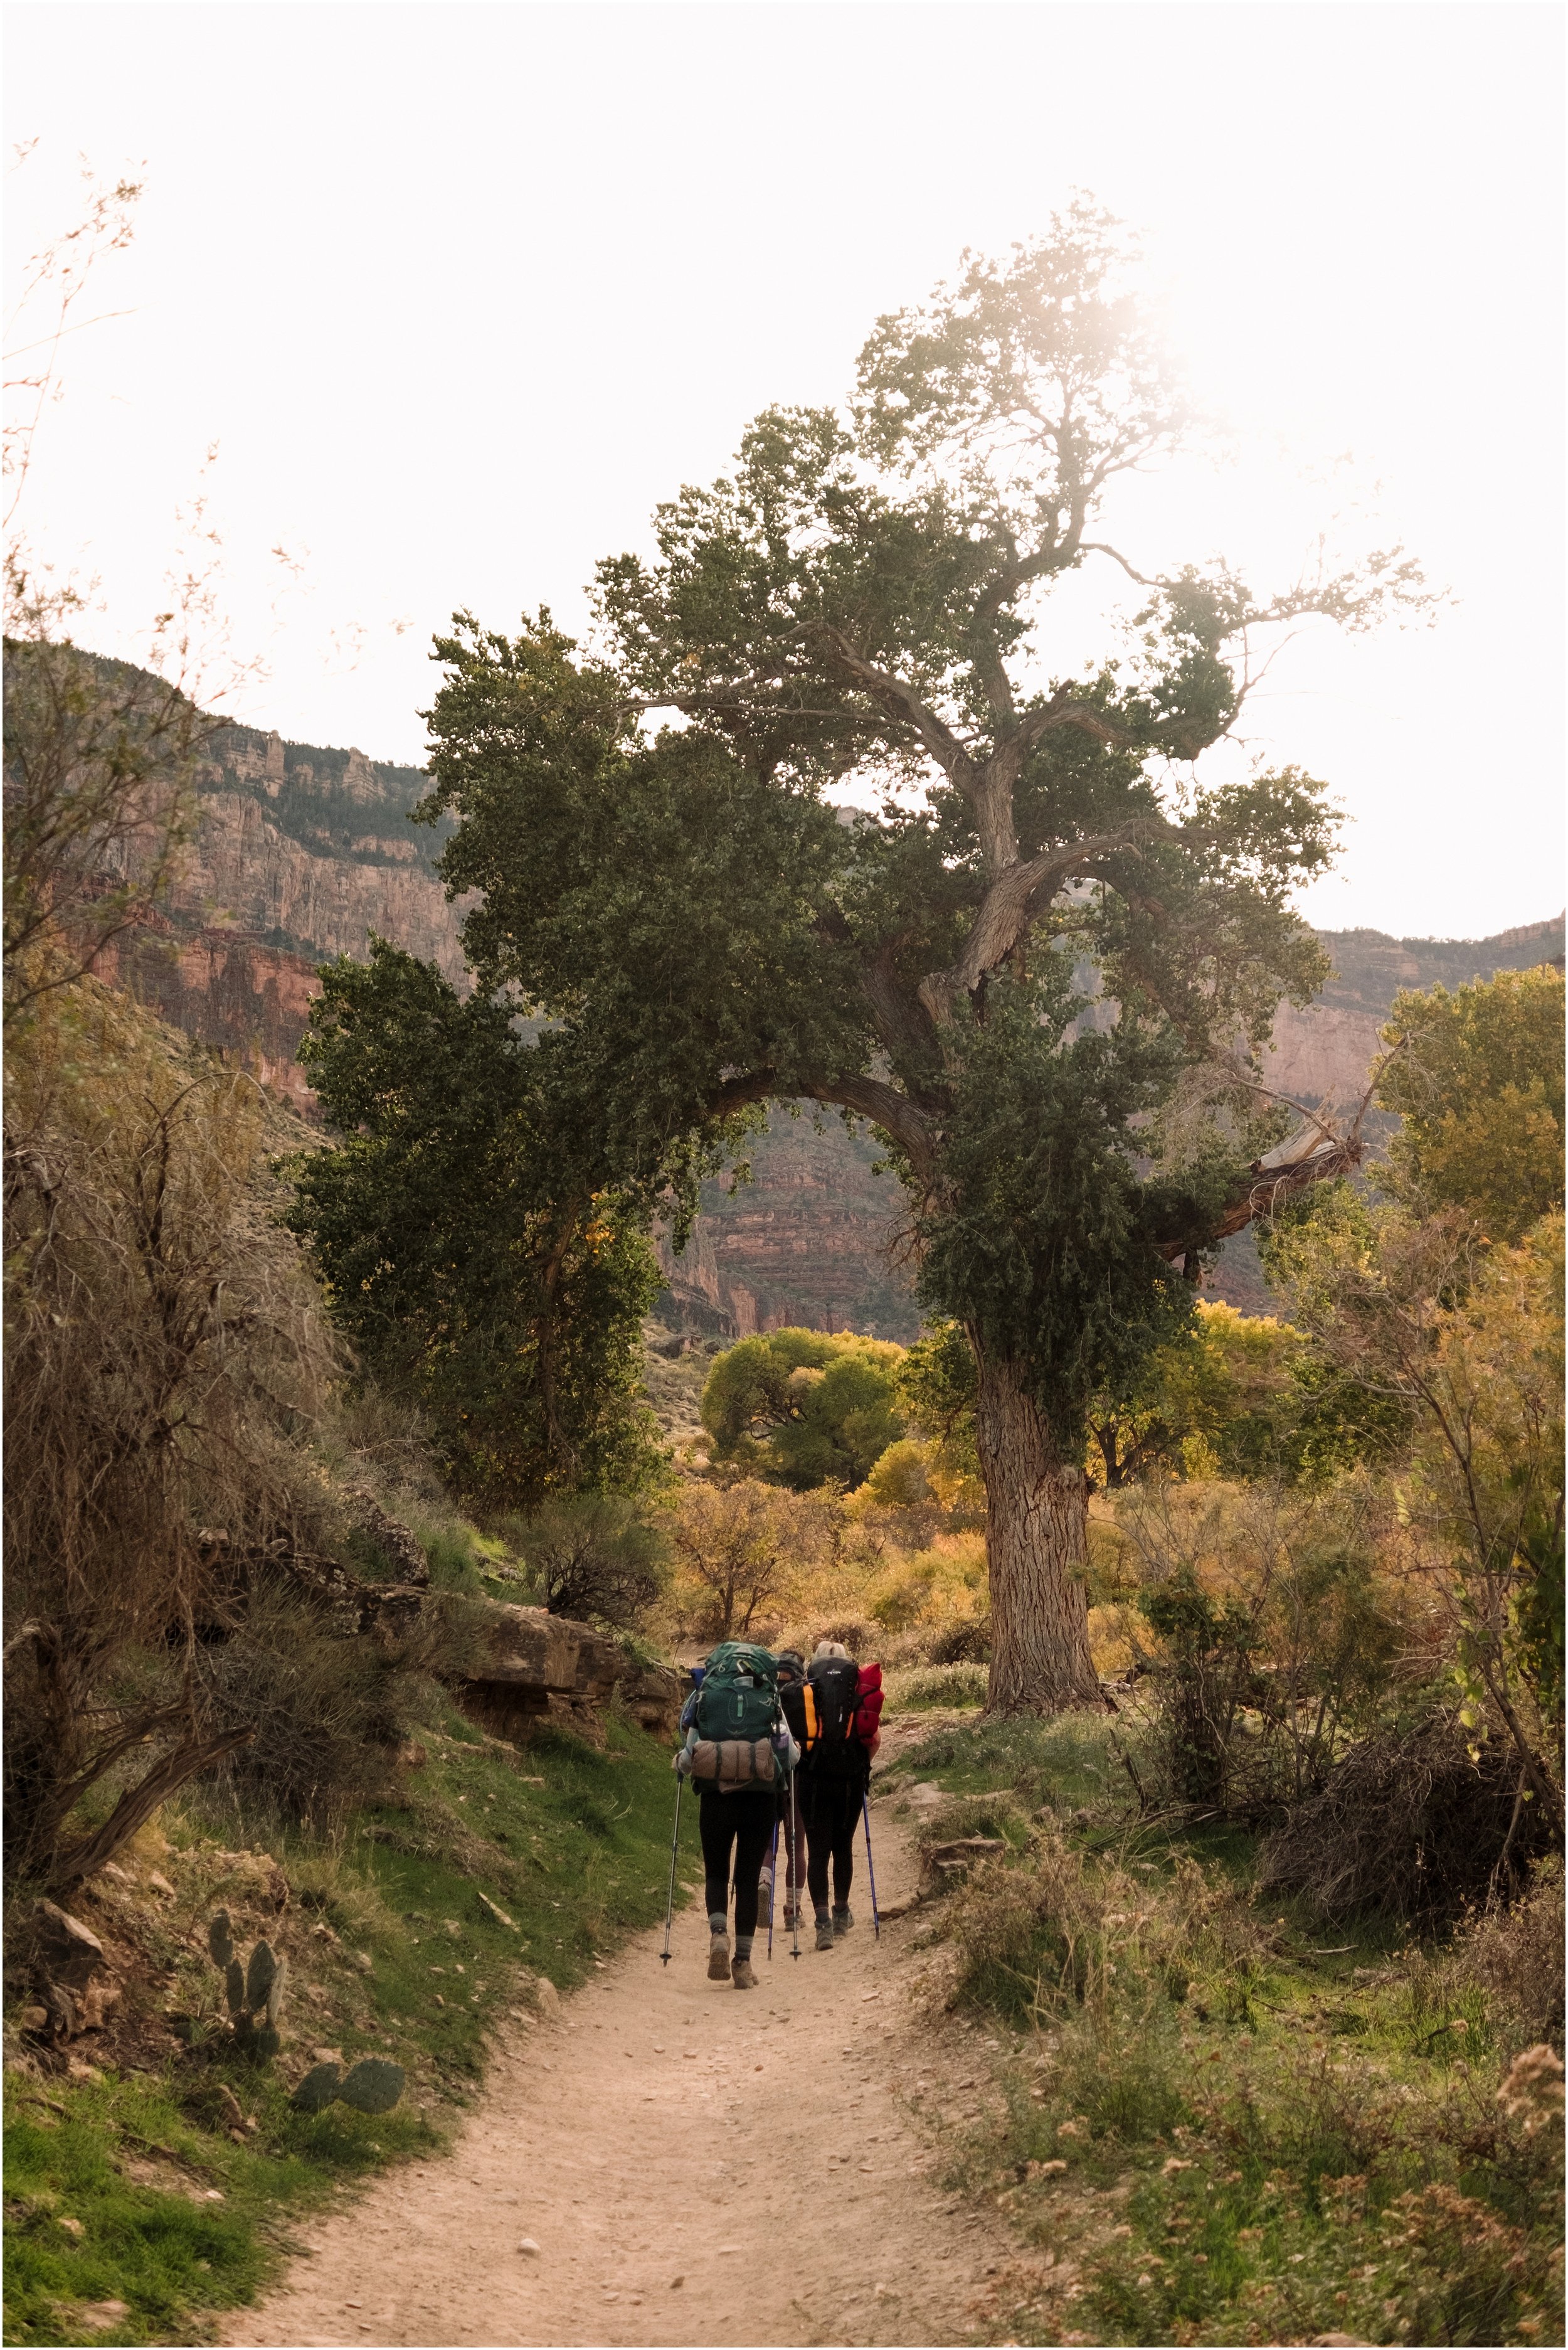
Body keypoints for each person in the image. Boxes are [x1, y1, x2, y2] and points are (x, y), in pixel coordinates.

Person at [675, 1644, 798, 1989]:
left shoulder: (706, 1696)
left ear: (720, 1668)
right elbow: (789, 1756)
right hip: (759, 1801)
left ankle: (718, 1935)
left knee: (716, 1872)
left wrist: (682, 1764)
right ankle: (742, 1964)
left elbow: (688, 1755)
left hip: (716, 1799)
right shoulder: (770, 1700)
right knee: (746, 1878)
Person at [795, 1639, 880, 1953]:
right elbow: (873, 1739)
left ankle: (821, 1925)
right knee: (843, 1846)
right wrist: (862, 1766)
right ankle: (841, 1913)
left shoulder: (806, 1688)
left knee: (818, 1851)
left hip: (812, 1780)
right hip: (849, 1781)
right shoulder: (856, 1687)